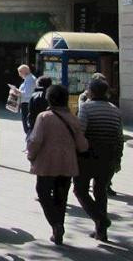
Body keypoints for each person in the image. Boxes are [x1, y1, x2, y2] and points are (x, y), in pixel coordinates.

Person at [27, 84, 88, 245]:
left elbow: (35, 140)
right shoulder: (73, 118)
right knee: (61, 198)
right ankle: (59, 226)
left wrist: (31, 155)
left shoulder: (44, 117)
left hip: (46, 165)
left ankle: (55, 224)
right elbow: (82, 145)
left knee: (43, 193)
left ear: (50, 99)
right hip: (67, 164)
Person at [75, 79, 123, 242]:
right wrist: (118, 159)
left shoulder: (86, 108)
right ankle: (101, 231)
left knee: (80, 190)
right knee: (100, 191)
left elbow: (80, 131)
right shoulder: (115, 110)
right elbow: (119, 136)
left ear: (91, 92)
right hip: (108, 156)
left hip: (88, 155)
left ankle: (100, 220)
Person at [14, 64, 37, 135]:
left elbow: (28, 94)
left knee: (27, 125)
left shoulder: (30, 79)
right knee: (26, 124)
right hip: (26, 103)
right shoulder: (28, 79)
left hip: (27, 104)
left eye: (19, 72)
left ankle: (29, 138)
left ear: (23, 72)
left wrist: (17, 92)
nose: (19, 75)